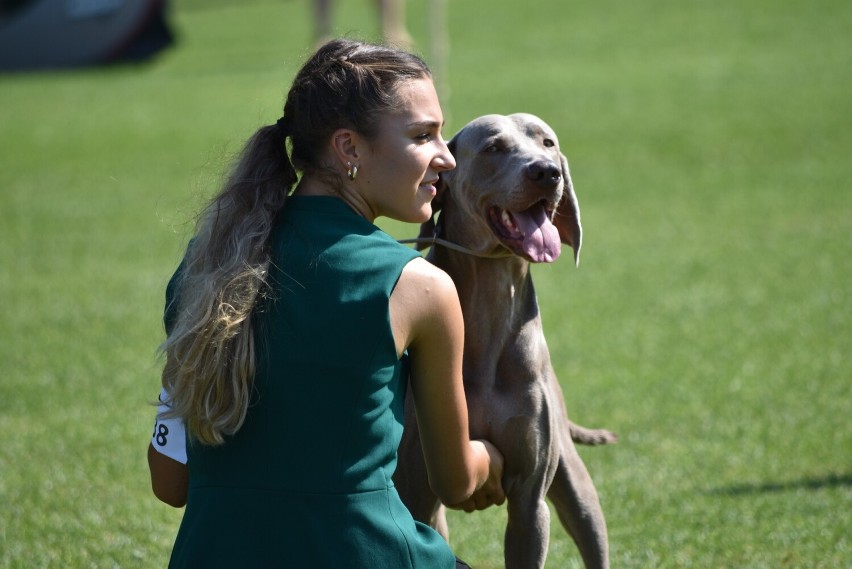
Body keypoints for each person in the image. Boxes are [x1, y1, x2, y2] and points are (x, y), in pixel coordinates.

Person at [147, 38, 505, 568]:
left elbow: (169, 479)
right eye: (422, 135)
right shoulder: (419, 286)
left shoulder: (209, 263)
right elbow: (455, 482)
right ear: (349, 149)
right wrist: (495, 459)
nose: (446, 158)